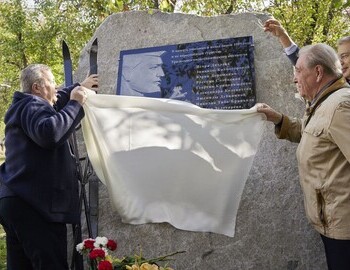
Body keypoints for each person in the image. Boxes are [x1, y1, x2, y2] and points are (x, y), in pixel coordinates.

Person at [257, 44, 350, 269]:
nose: (294, 78)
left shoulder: (340, 106)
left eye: (298, 70)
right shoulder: (323, 102)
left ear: (318, 72)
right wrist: (278, 119)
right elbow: (313, 135)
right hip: (332, 222)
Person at [0, 64, 98, 269]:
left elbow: (55, 99)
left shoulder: (24, 106)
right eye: (52, 82)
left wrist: (79, 86)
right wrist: (75, 104)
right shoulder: (32, 106)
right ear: (37, 88)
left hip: (16, 201)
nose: (56, 87)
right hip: (35, 206)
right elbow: (50, 133)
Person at [264, 19, 350, 82]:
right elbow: (305, 64)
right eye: (339, 58)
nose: (340, 62)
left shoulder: (342, 95)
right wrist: (283, 36)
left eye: (344, 56)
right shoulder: (339, 83)